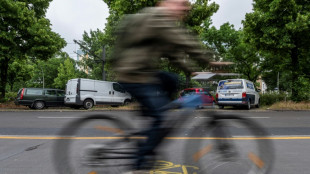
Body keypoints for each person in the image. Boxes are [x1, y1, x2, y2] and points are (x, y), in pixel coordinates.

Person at [112, 0, 213, 173]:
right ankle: (140, 160)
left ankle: (152, 111)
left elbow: (173, 54)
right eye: (179, 4)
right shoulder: (157, 17)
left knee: (172, 80)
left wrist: (192, 70)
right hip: (133, 74)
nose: (184, 9)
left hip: (143, 71)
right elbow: (186, 43)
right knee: (162, 118)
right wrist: (210, 62)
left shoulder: (160, 24)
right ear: (164, 3)